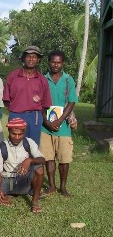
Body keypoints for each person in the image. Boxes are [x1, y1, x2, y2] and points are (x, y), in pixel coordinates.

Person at [40, 50, 78, 197]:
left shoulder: (68, 80)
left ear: (63, 63)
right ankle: (52, 186)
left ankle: (63, 186)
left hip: (63, 127)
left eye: (59, 62)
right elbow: (40, 104)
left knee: (64, 158)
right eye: (53, 61)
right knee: (48, 157)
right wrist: (47, 122)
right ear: (49, 62)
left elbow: (71, 101)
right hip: (45, 126)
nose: (56, 65)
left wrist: (60, 120)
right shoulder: (43, 79)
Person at [0, 118, 45, 213]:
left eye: (20, 134)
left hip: (24, 178)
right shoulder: (1, 147)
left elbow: (42, 160)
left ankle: (34, 201)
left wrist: (30, 160)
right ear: (9, 131)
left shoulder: (29, 143)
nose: (17, 137)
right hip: (8, 179)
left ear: (24, 133)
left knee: (39, 169)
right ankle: (9, 194)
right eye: (13, 134)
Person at [3, 45, 52, 146]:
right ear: (23, 58)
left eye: (34, 56)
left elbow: (45, 104)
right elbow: (6, 100)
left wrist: (34, 111)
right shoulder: (13, 76)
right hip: (16, 114)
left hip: (34, 116)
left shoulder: (42, 79)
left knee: (32, 146)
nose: (31, 59)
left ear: (38, 60)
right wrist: (17, 110)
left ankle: (32, 163)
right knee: (15, 145)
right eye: (28, 56)